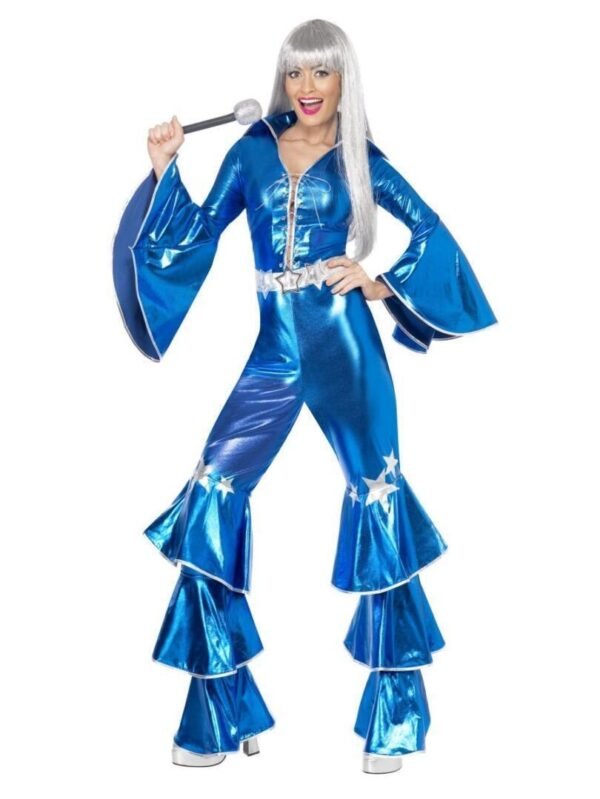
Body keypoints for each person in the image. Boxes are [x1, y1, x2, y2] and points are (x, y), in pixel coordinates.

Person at [112, 18, 497, 774]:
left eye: (322, 72)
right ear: (282, 80)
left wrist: (378, 284)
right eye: (296, 72)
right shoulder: (251, 151)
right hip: (274, 356)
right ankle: (223, 712)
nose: (308, 87)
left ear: (344, 80)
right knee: (213, 490)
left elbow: (431, 229)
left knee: (378, 501)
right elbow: (197, 233)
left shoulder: (360, 160)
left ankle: (394, 722)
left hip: (345, 346)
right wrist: (163, 171)